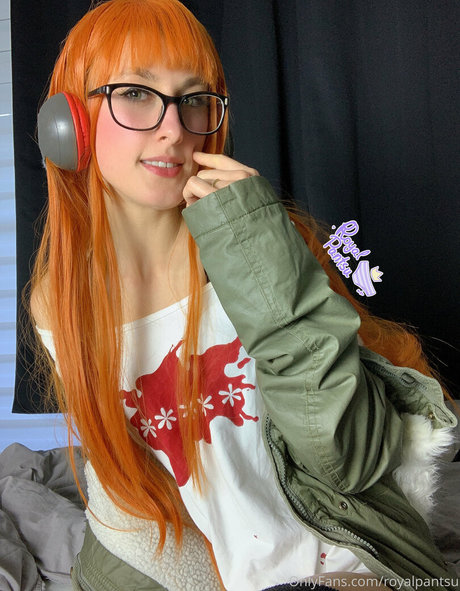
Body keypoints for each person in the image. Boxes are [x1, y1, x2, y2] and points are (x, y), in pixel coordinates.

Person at [30, 1, 458, 590]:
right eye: (135, 93)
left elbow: (348, 460)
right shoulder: (59, 300)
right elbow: (128, 483)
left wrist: (262, 252)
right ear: (70, 122)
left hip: (343, 552)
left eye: (194, 99)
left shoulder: (261, 247)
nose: (174, 128)